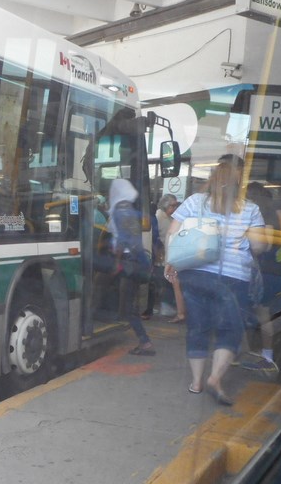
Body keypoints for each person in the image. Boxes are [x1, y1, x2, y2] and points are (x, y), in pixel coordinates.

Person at [166, 156, 266, 404]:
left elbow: (172, 233)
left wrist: (171, 262)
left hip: (195, 272)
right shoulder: (250, 209)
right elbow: (259, 246)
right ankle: (215, 379)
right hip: (232, 278)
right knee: (228, 330)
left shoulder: (194, 202)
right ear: (239, 181)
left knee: (197, 328)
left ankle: (196, 382)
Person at [240, 181, 281, 376]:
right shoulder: (276, 213)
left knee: (262, 314)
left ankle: (266, 356)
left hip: (264, 270)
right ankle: (261, 353)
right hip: (276, 268)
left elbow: (264, 246)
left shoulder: (263, 215)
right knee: (261, 313)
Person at [108, 178, 155, 355]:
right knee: (129, 304)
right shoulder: (130, 209)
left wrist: (116, 262)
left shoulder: (120, 211)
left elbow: (123, 241)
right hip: (136, 261)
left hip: (128, 262)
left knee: (129, 307)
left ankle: (145, 342)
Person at [152, 193, 186, 323]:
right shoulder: (160, 216)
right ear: (166, 205)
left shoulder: (169, 218)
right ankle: (167, 306)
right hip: (163, 257)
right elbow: (163, 237)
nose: (175, 208)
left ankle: (170, 306)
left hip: (168, 256)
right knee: (169, 281)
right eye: (173, 205)